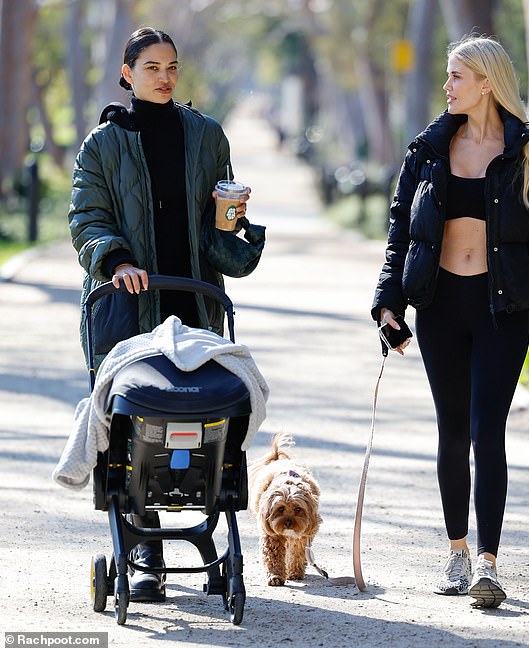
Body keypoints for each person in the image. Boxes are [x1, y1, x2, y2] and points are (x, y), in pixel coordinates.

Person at [371, 35, 529, 608]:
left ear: (487, 82)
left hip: (500, 311)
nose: (447, 86)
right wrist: (389, 304)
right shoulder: (429, 151)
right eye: (446, 76)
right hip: (439, 308)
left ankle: (488, 562)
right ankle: (456, 551)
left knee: (488, 431)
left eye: (456, 76)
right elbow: (400, 236)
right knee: (451, 429)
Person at [68, 27, 264, 603]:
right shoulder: (100, 146)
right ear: (126, 73)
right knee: (134, 425)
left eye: (172, 66)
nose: (164, 76)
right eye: (151, 66)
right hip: (129, 309)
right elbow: (87, 217)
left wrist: (229, 222)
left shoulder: (206, 135)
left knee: (200, 421)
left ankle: (207, 531)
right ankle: (143, 546)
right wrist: (116, 259)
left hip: (193, 303)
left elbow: (221, 231)